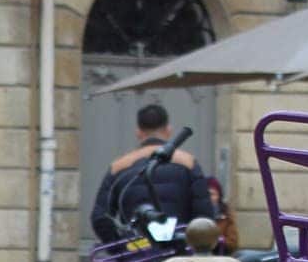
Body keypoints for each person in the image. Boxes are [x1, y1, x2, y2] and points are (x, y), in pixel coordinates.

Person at [88, 102, 215, 241]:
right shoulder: (188, 163)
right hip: (177, 252)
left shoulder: (119, 166)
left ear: (138, 132)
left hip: (137, 253)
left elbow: (100, 218)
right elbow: (204, 215)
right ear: (169, 130)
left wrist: (121, 250)